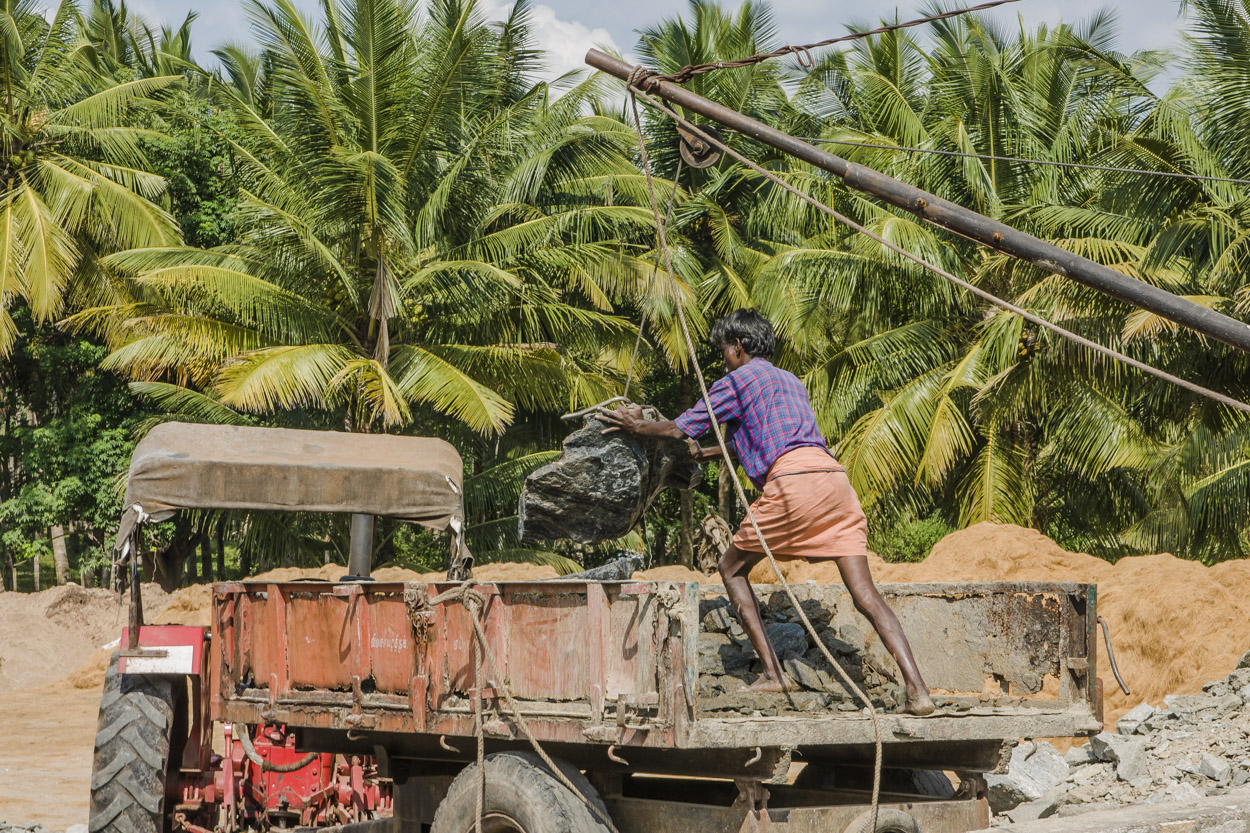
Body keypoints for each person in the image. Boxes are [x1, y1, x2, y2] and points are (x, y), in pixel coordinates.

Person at [598, 309, 935, 716]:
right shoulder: (790, 381)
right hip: (834, 481)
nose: (723, 360)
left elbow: (677, 427)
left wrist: (637, 427)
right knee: (867, 596)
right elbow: (758, 442)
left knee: (730, 568)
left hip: (793, 485)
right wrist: (703, 454)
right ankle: (918, 690)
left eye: (725, 351)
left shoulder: (736, 380)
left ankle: (773, 674)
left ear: (738, 348)